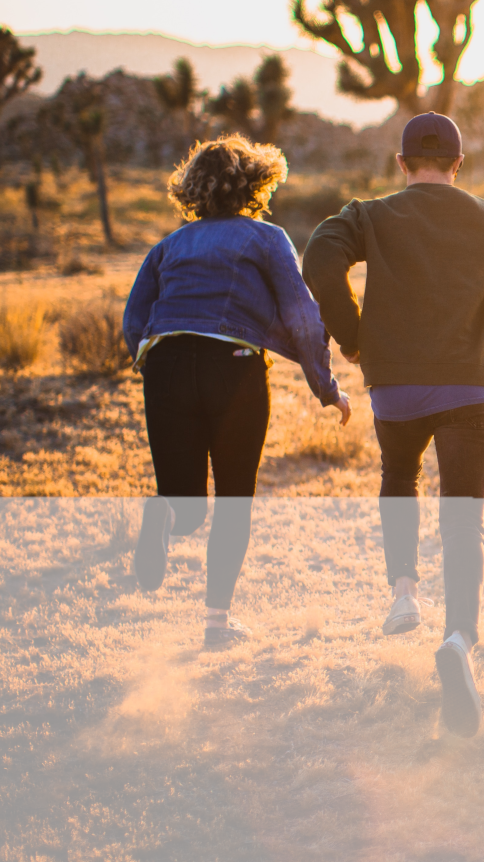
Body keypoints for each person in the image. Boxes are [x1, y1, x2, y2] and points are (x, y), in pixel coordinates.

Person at [303, 112, 484, 738]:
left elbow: (317, 260)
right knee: (462, 516)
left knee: (399, 473)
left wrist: (355, 334)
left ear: (402, 163)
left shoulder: (370, 215)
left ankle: (404, 593)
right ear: (458, 165)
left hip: (396, 387)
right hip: (470, 382)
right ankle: (459, 640)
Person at [123, 134, 349, 647]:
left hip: (167, 363)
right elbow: (301, 315)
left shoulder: (169, 246)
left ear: (192, 189)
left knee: (186, 504)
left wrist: (152, 363)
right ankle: (216, 625)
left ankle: (161, 516)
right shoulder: (266, 238)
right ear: (255, 183)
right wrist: (326, 387)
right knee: (232, 503)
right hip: (234, 366)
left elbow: (134, 317)